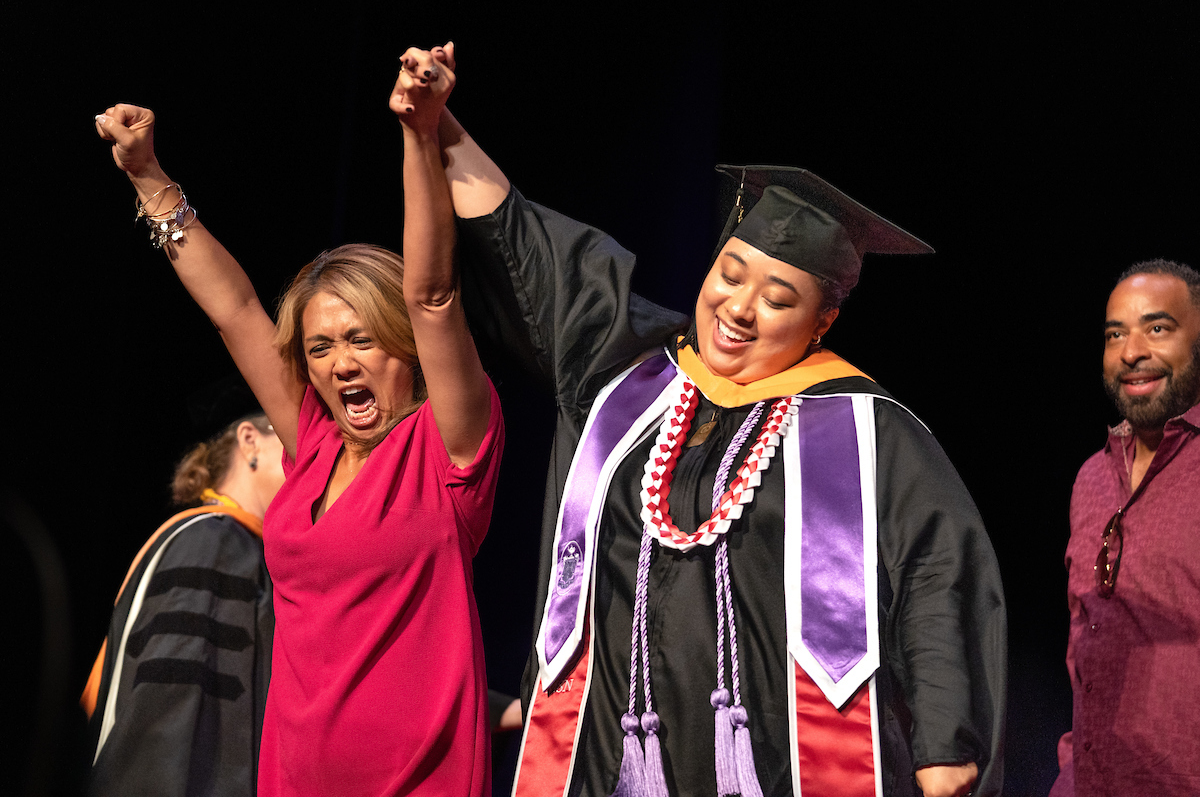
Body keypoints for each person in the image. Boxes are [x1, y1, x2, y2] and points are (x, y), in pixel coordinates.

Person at [409, 44, 1006, 797]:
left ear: (823, 321)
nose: (740, 307)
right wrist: (438, 126)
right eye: (730, 273)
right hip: (606, 747)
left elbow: (937, 573)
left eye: (780, 299)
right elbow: (527, 242)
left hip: (777, 762)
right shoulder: (627, 369)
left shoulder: (867, 431)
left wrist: (945, 741)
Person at [93, 50, 503, 797]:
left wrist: (420, 132)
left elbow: (434, 294)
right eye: (320, 347)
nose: (341, 362)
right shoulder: (313, 443)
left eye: (361, 339)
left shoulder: (446, 448)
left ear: (404, 348)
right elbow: (236, 309)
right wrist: (148, 177)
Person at [1050, 260, 1200, 797]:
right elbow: (1082, 650)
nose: (1131, 351)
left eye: (1157, 328)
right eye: (1116, 334)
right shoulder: (1092, 477)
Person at [81, 411, 284, 796]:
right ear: (250, 440)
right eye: (292, 440)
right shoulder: (214, 541)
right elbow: (174, 707)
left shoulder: (234, 545)